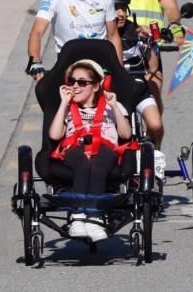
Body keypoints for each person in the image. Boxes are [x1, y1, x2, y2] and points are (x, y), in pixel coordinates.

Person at [48, 59, 132, 242]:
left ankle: (94, 218)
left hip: (105, 148)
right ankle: (78, 217)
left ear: (95, 86)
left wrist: (115, 107)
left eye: (82, 82)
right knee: (85, 162)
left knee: (97, 161)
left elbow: (126, 134)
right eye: (72, 82)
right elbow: (55, 136)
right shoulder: (68, 108)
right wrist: (63, 103)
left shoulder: (113, 106)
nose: (75, 86)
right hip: (75, 147)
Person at [27, 0, 123, 81]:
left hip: (99, 64)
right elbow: (36, 33)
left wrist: (119, 71)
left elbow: (113, 36)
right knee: (44, 92)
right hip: (68, 64)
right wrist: (35, 62)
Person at [111, 0, 164, 149]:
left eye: (122, 8)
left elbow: (153, 68)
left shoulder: (137, 31)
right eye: (114, 8)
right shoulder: (100, 33)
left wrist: (151, 44)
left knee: (156, 125)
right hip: (113, 91)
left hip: (138, 87)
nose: (120, 13)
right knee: (120, 132)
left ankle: (156, 154)